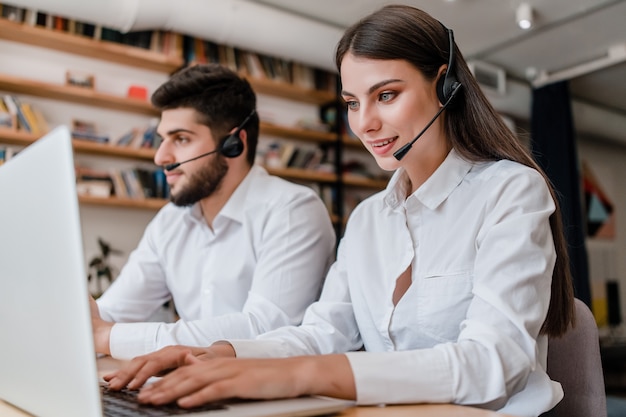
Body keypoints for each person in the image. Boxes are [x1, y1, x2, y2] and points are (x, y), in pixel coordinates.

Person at [103, 6, 575, 417]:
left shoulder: (510, 191)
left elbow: (494, 361)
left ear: (445, 84)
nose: (365, 123)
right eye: (352, 103)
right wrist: (218, 353)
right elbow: (322, 333)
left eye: (386, 95)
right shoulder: (370, 218)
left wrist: (304, 376)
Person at [90, 63, 337, 360]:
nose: (160, 157)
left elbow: (266, 330)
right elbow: (111, 313)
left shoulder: (292, 211)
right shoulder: (170, 221)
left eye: (180, 139)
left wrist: (110, 337)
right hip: (192, 388)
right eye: (162, 139)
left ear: (234, 144)